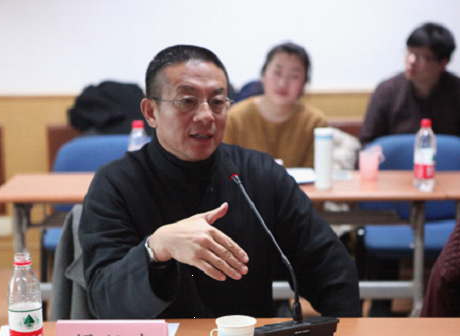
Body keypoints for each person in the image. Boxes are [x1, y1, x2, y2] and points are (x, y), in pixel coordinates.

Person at [79, 45, 361, 320]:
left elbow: (333, 273)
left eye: (217, 102)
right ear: (151, 112)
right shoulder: (115, 184)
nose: (206, 116)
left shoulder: (260, 174)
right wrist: (156, 248)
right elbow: (105, 302)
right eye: (187, 101)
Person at [223, 42, 327, 168]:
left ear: (304, 83)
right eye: (277, 73)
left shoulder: (315, 122)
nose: (283, 83)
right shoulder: (235, 118)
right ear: (263, 74)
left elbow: (316, 173)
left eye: (294, 76)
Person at [360, 22, 460, 146]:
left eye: (421, 56)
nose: (411, 60)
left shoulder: (456, 90)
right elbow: (367, 142)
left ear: (443, 63)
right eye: (409, 52)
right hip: (394, 160)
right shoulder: (387, 91)